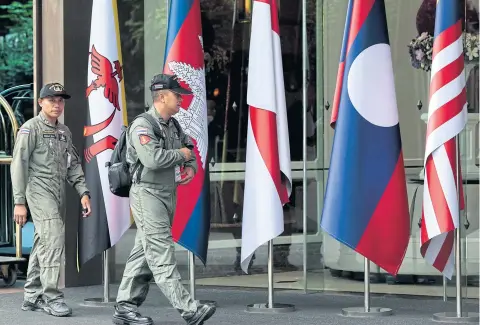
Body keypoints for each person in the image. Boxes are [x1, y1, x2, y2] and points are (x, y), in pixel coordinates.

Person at [113, 74, 216, 325]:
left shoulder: (173, 125)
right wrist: (181, 155)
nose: (181, 99)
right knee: (161, 251)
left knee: (144, 251)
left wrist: (189, 164)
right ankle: (189, 309)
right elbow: (153, 159)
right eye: (176, 95)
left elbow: (190, 148)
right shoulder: (143, 125)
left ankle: (125, 307)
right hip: (147, 193)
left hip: (166, 193)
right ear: (161, 97)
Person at [11, 82, 92, 317]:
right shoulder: (30, 129)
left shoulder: (64, 131)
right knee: (54, 238)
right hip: (38, 190)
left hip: (58, 193)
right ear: (40, 103)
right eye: (51, 100)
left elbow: (73, 165)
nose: (57, 104)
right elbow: (19, 166)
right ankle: (52, 296)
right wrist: (19, 202)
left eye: (60, 100)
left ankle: (32, 295)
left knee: (44, 242)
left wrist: (83, 192)